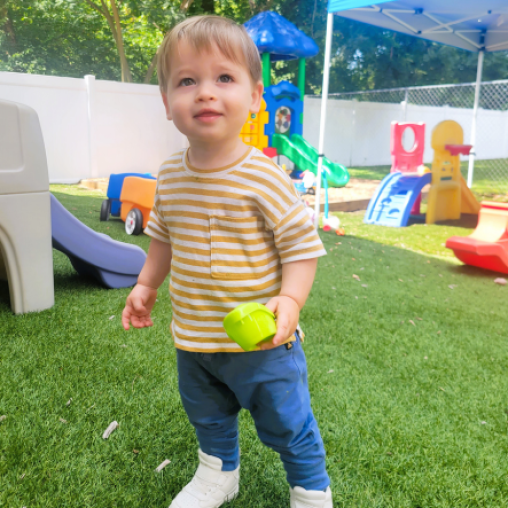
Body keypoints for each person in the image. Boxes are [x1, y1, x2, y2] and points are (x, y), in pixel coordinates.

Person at [121, 15, 332, 508]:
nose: (205, 93)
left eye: (224, 78)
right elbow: (163, 236)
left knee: (287, 422)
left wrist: (290, 300)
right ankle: (218, 474)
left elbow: (301, 248)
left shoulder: (265, 177)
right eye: (186, 81)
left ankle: (310, 489)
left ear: (255, 97)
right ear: (166, 101)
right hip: (194, 338)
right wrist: (146, 284)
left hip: (261, 341)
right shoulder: (169, 174)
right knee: (207, 416)